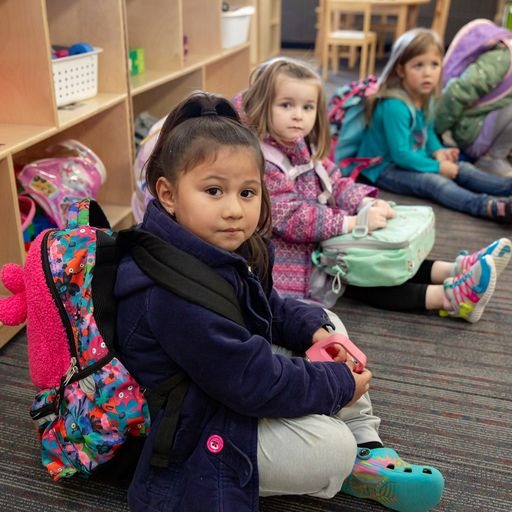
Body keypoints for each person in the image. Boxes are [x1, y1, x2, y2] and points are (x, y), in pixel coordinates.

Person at [114, 91, 445, 512]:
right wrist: (338, 385)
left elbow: (266, 305)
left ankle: (368, 449)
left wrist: (312, 329)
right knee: (330, 449)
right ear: (168, 194)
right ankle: (348, 452)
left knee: (325, 321)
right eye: (213, 191)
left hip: (220, 381)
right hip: (190, 424)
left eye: (247, 193)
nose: (234, 210)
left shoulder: (222, 245)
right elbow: (252, 380)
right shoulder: (169, 291)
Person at [236, 56, 511, 322]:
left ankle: (456, 269)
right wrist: (351, 223)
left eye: (307, 107)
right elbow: (292, 217)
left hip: (323, 243)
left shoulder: (300, 143)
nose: (298, 116)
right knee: (371, 275)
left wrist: (363, 203)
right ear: (263, 104)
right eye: (286, 105)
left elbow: (336, 181)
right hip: (295, 264)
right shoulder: (263, 161)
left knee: (383, 255)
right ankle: (451, 299)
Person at [354, 28, 512, 223]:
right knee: (435, 182)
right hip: (383, 168)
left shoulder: (425, 98)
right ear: (401, 70)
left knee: (461, 167)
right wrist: (438, 167)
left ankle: (507, 187)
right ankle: (492, 207)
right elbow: (400, 154)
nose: (427, 73)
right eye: (418, 65)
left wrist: (438, 151)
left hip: (412, 158)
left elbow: (427, 130)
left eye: (434, 64)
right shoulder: (394, 106)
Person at [435, 19, 512, 178]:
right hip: (471, 131)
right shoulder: (502, 59)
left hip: (484, 121)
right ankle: (491, 159)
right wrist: (433, 134)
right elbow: (456, 93)